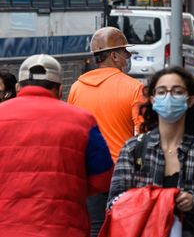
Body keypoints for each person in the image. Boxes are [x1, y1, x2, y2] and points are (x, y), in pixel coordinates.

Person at [0, 54, 113, 237]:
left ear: (18, 87)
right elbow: (102, 178)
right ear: (60, 89)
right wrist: (72, 187)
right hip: (64, 227)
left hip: (3, 228)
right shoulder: (83, 121)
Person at [109, 67, 194, 237]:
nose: (168, 97)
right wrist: (152, 201)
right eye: (161, 92)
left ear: (189, 100)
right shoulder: (133, 149)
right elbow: (113, 204)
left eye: (177, 92)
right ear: (153, 100)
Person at [67, 27, 146, 237]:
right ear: (114, 55)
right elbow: (142, 135)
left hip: (88, 172)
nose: (128, 57)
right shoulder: (134, 88)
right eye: (125, 52)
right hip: (121, 173)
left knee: (94, 227)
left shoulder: (77, 87)